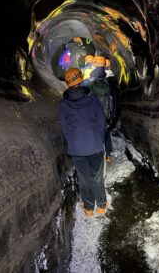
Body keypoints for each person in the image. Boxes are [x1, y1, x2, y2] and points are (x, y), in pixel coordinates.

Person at [57, 68, 108, 216]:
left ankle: (88, 208)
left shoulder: (63, 105)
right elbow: (101, 123)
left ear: (67, 83)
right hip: (95, 145)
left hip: (76, 148)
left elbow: (64, 129)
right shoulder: (93, 100)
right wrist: (99, 140)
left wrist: (72, 143)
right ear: (80, 78)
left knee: (84, 179)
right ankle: (101, 206)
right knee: (97, 177)